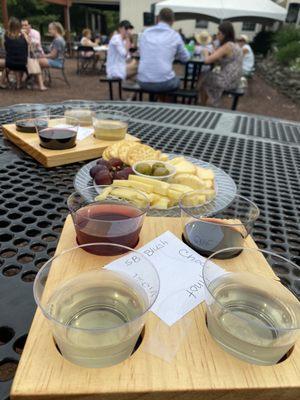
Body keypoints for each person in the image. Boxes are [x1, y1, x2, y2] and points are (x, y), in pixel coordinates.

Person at [137, 8, 190, 93]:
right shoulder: (175, 35)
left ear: (157, 19)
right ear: (173, 21)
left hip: (143, 81)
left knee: (163, 78)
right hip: (163, 83)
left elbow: (141, 52)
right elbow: (186, 58)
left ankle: (158, 101)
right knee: (175, 80)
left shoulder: (145, 33)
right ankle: (165, 104)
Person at [200, 21, 243, 106]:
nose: (217, 35)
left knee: (204, 77)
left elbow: (207, 60)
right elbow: (221, 60)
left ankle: (203, 105)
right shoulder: (235, 45)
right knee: (208, 76)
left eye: (219, 33)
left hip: (227, 81)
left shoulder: (227, 46)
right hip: (236, 80)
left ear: (224, 34)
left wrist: (205, 51)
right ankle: (207, 101)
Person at [0, 17, 28, 89]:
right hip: (23, 63)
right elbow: (29, 44)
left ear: (9, 26)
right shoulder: (23, 36)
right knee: (17, 63)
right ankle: (18, 84)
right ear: (19, 26)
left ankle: (1, 82)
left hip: (10, 62)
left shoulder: (6, 36)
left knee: (8, 66)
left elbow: (4, 48)